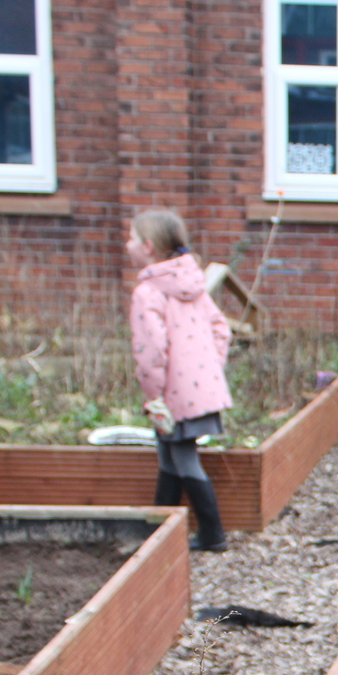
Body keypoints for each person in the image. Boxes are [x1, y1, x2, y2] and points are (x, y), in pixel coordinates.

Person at [127, 208, 233, 552]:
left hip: (172, 394)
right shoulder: (192, 284)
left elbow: (151, 350)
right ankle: (159, 533)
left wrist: (154, 395)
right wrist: (207, 371)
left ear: (147, 247)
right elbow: (221, 330)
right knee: (169, 453)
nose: (127, 245)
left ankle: (212, 534)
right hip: (199, 389)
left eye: (130, 238)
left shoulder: (148, 292)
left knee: (184, 457)